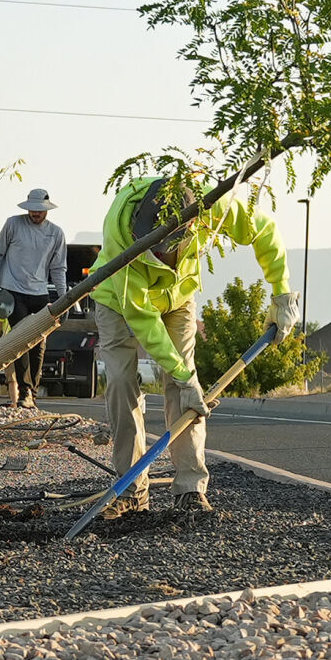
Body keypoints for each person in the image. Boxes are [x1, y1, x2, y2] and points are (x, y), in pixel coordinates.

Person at [92, 176, 294, 516]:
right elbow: (144, 321)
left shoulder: (212, 208)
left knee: (186, 390)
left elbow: (265, 230)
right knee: (121, 383)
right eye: (154, 248)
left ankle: (190, 488)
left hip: (178, 298)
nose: (161, 253)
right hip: (117, 299)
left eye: (169, 246)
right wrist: (182, 374)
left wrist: (283, 293)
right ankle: (130, 490)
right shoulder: (120, 236)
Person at [0, 188, 66, 407]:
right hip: (13, 290)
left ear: (46, 210)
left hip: (39, 292)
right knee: (21, 337)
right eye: (32, 210)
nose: (35, 214)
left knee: (39, 341)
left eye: (39, 210)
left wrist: (63, 297)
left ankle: (33, 392)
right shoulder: (13, 224)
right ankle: (25, 391)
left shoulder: (56, 234)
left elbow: (58, 268)